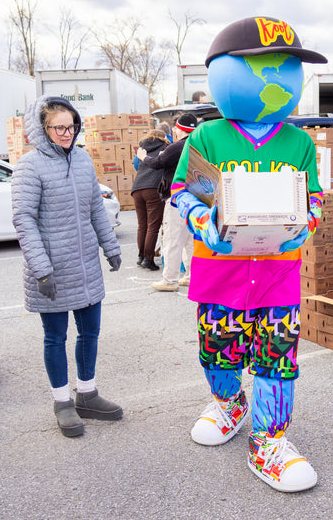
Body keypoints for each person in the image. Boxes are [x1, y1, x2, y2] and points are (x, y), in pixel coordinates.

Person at [170, 16, 327, 493]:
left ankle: (271, 440)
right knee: (218, 354)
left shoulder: (298, 142)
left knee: (277, 359)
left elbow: (313, 196)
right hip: (219, 276)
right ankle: (229, 402)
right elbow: (183, 190)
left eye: (286, 68)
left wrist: (304, 226)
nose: (275, 79)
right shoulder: (207, 138)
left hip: (278, 277)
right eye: (262, 67)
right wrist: (201, 219)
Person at [11, 95, 124, 437]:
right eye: (58, 127)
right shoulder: (29, 166)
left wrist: (111, 247)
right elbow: (24, 219)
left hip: (86, 266)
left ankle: (86, 393)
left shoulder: (84, 160)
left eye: (71, 126)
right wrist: (42, 269)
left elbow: (95, 210)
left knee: (90, 332)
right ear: (41, 129)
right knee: (55, 337)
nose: (66, 133)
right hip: (52, 270)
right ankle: (62, 401)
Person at [145, 113, 197, 292]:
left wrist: (143, 156)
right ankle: (191, 275)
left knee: (173, 239)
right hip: (195, 198)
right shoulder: (198, 144)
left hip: (176, 198)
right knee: (189, 239)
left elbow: (159, 162)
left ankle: (170, 279)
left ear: (178, 129)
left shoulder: (179, 146)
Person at [132, 129, 170, 270]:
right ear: (162, 137)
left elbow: (136, 165)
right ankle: (148, 259)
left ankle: (141, 256)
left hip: (137, 188)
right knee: (153, 226)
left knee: (142, 225)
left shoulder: (142, 148)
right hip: (153, 188)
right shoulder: (165, 148)